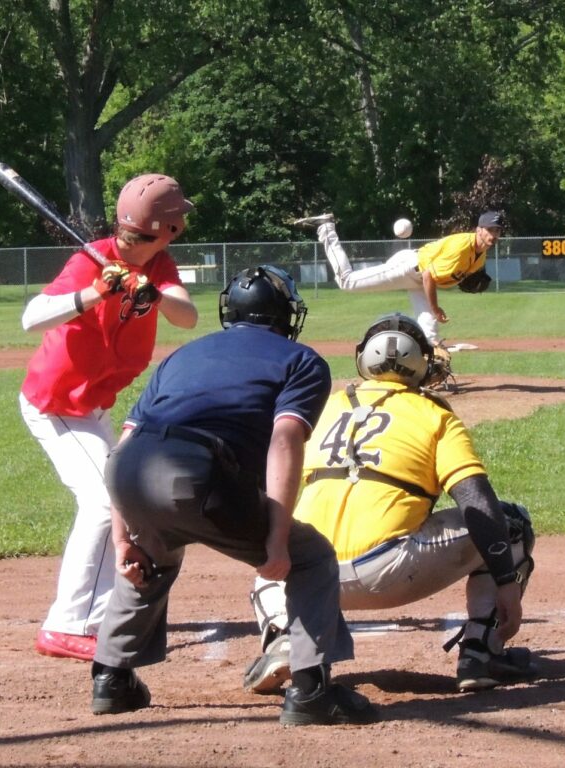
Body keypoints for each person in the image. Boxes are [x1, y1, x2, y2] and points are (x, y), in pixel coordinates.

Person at [92, 265, 378, 727]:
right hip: (199, 473)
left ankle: (111, 678)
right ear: (284, 315)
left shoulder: (182, 356)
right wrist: (278, 542)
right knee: (311, 557)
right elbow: (285, 441)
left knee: (152, 553)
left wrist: (124, 539)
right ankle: (311, 690)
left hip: (129, 470)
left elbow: (124, 447)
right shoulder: (300, 360)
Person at [243, 313, 538, 695]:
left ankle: (284, 637)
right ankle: (482, 651)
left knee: (275, 537)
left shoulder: (324, 407)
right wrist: (506, 581)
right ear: (423, 363)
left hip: (306, 575)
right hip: (391, 569)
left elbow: (268, 486)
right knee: (511, 521)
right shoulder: (434, 414)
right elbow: (475, 501)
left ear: (363, 358)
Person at [20, 173, 199, 662]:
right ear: (169, 226)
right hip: (56, 403)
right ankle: (67, 624)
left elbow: (188, 316)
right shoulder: (89, 260)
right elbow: (31, 317)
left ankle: (93, 613)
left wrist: (154, 292)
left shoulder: (158, 263)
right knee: (104, 501)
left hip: (89, 407)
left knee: (117, 496)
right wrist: (96, 293)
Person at [293, 211, 501, 347]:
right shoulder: (462, 246)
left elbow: (448, 276)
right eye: (490, 229)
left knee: (430, 332)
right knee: (347, 282)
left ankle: (430, 372)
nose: (494, 234)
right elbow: (429, 276)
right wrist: (436, 308)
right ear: (479, 230)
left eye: (497, 230)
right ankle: (326, 228)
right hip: (409, 269)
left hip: (419, 276)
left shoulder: (481, 253)